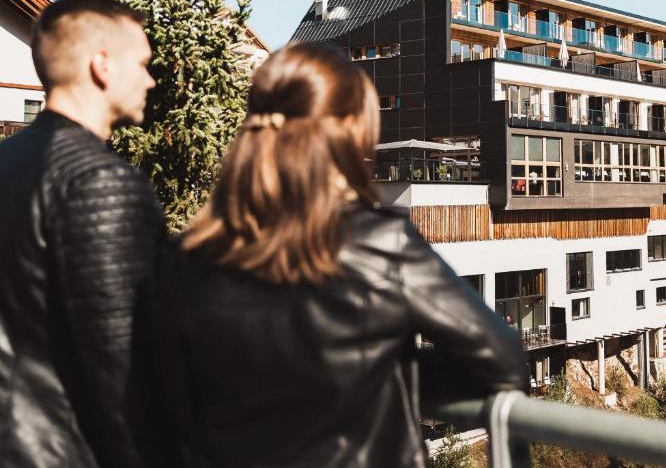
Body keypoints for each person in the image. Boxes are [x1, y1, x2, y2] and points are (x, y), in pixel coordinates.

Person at [158, 43, 527, 468]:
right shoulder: (378, 243)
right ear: (349, 131)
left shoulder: (187, 257)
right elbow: (503, 359)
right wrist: (380, 372)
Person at [0, 0, 164, 468]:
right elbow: (123, 369)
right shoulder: (99, 180)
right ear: (102, 66)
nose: (151, 80)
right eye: (143, 63)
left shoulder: (6, 163)